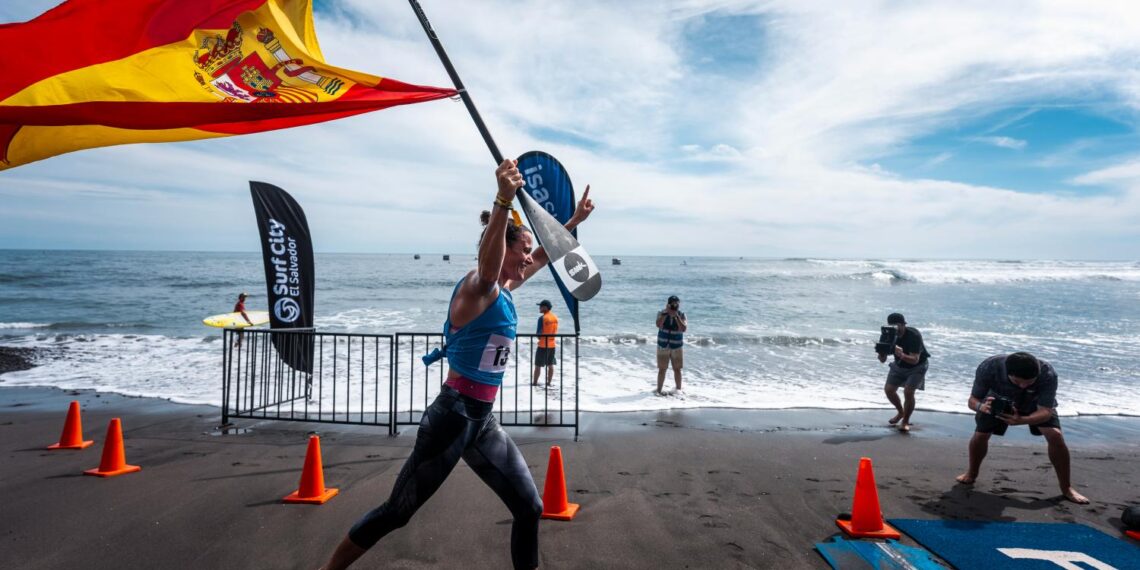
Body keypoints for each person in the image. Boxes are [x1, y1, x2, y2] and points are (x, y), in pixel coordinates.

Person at [321, 160, 595, 570]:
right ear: (502, 250)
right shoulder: (479, 287)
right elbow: (490, 265)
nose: (525, 260)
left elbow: (541, 258)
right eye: (519, 251)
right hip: (452, 416)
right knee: (398, 511)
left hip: (482, 420)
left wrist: (572, 221)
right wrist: (503, 198)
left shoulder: (503, 288)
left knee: (529, 506)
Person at [955, 352, 1089, 504]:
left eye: (1029, 382)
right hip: (998, 402)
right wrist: (981, 407)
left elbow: (1046, 411)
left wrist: (1022, 420)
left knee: (1055, 435)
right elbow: (972, 400)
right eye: (1018, 382)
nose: (1023, 386)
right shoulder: (990, 367)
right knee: (981, 435)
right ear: (1008, 373)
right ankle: (972, 473)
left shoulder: (1048, 373)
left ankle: (1067, 488)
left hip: (1034, 403)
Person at [876, 312, 929, 432]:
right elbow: (882, 360)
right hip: (899, 365)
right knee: (889, 390)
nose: (894, 329)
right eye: (891, 326)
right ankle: (900, 412)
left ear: (903, 324)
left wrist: (900, 354)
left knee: (908, 392)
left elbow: (915, 360)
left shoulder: (913, 335)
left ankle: (905, 421)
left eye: (896, 326)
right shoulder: (887, 334)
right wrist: (881, 352)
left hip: (917, 366)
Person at [655, 295, 686, 396]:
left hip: (676, 346)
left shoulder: (681, 315)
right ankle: (658, 391)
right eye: (672, 303)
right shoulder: (661, 313)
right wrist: (666, 314)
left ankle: (678, 390)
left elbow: (684, 328)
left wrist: (676, 316)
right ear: (668, 304)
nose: (674, 306)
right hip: (663, 345)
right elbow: (658, 324)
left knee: (677, 369)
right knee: (662, 369)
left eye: (676, 304)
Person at [532, 300, 558, 386]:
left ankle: (535, 383)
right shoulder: (555, 318)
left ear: (545, 307)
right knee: (550, 364)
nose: (539, 308)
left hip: (543, 345)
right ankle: (549, 383)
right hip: (552, 345)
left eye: (541, 306)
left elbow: (538, 334)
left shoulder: (542, 318)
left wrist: (540, 338)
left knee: (538, 365)